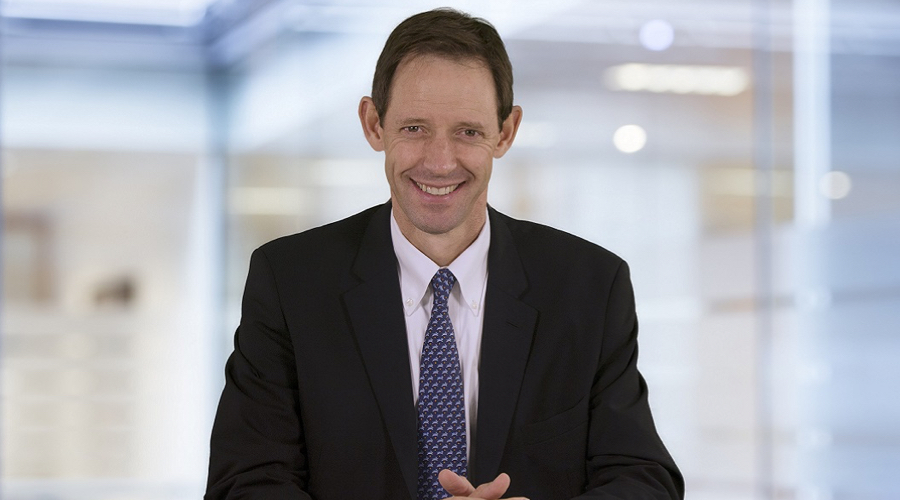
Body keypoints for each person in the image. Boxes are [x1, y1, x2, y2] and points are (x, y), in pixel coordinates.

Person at [205, 8, 684, 500]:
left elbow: (643, 479)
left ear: (506, 132)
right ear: (374, 124)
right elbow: (245, 482)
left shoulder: (590, 286)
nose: (439, 162)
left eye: (468, 131)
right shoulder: (290, 283)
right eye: (415, 128)